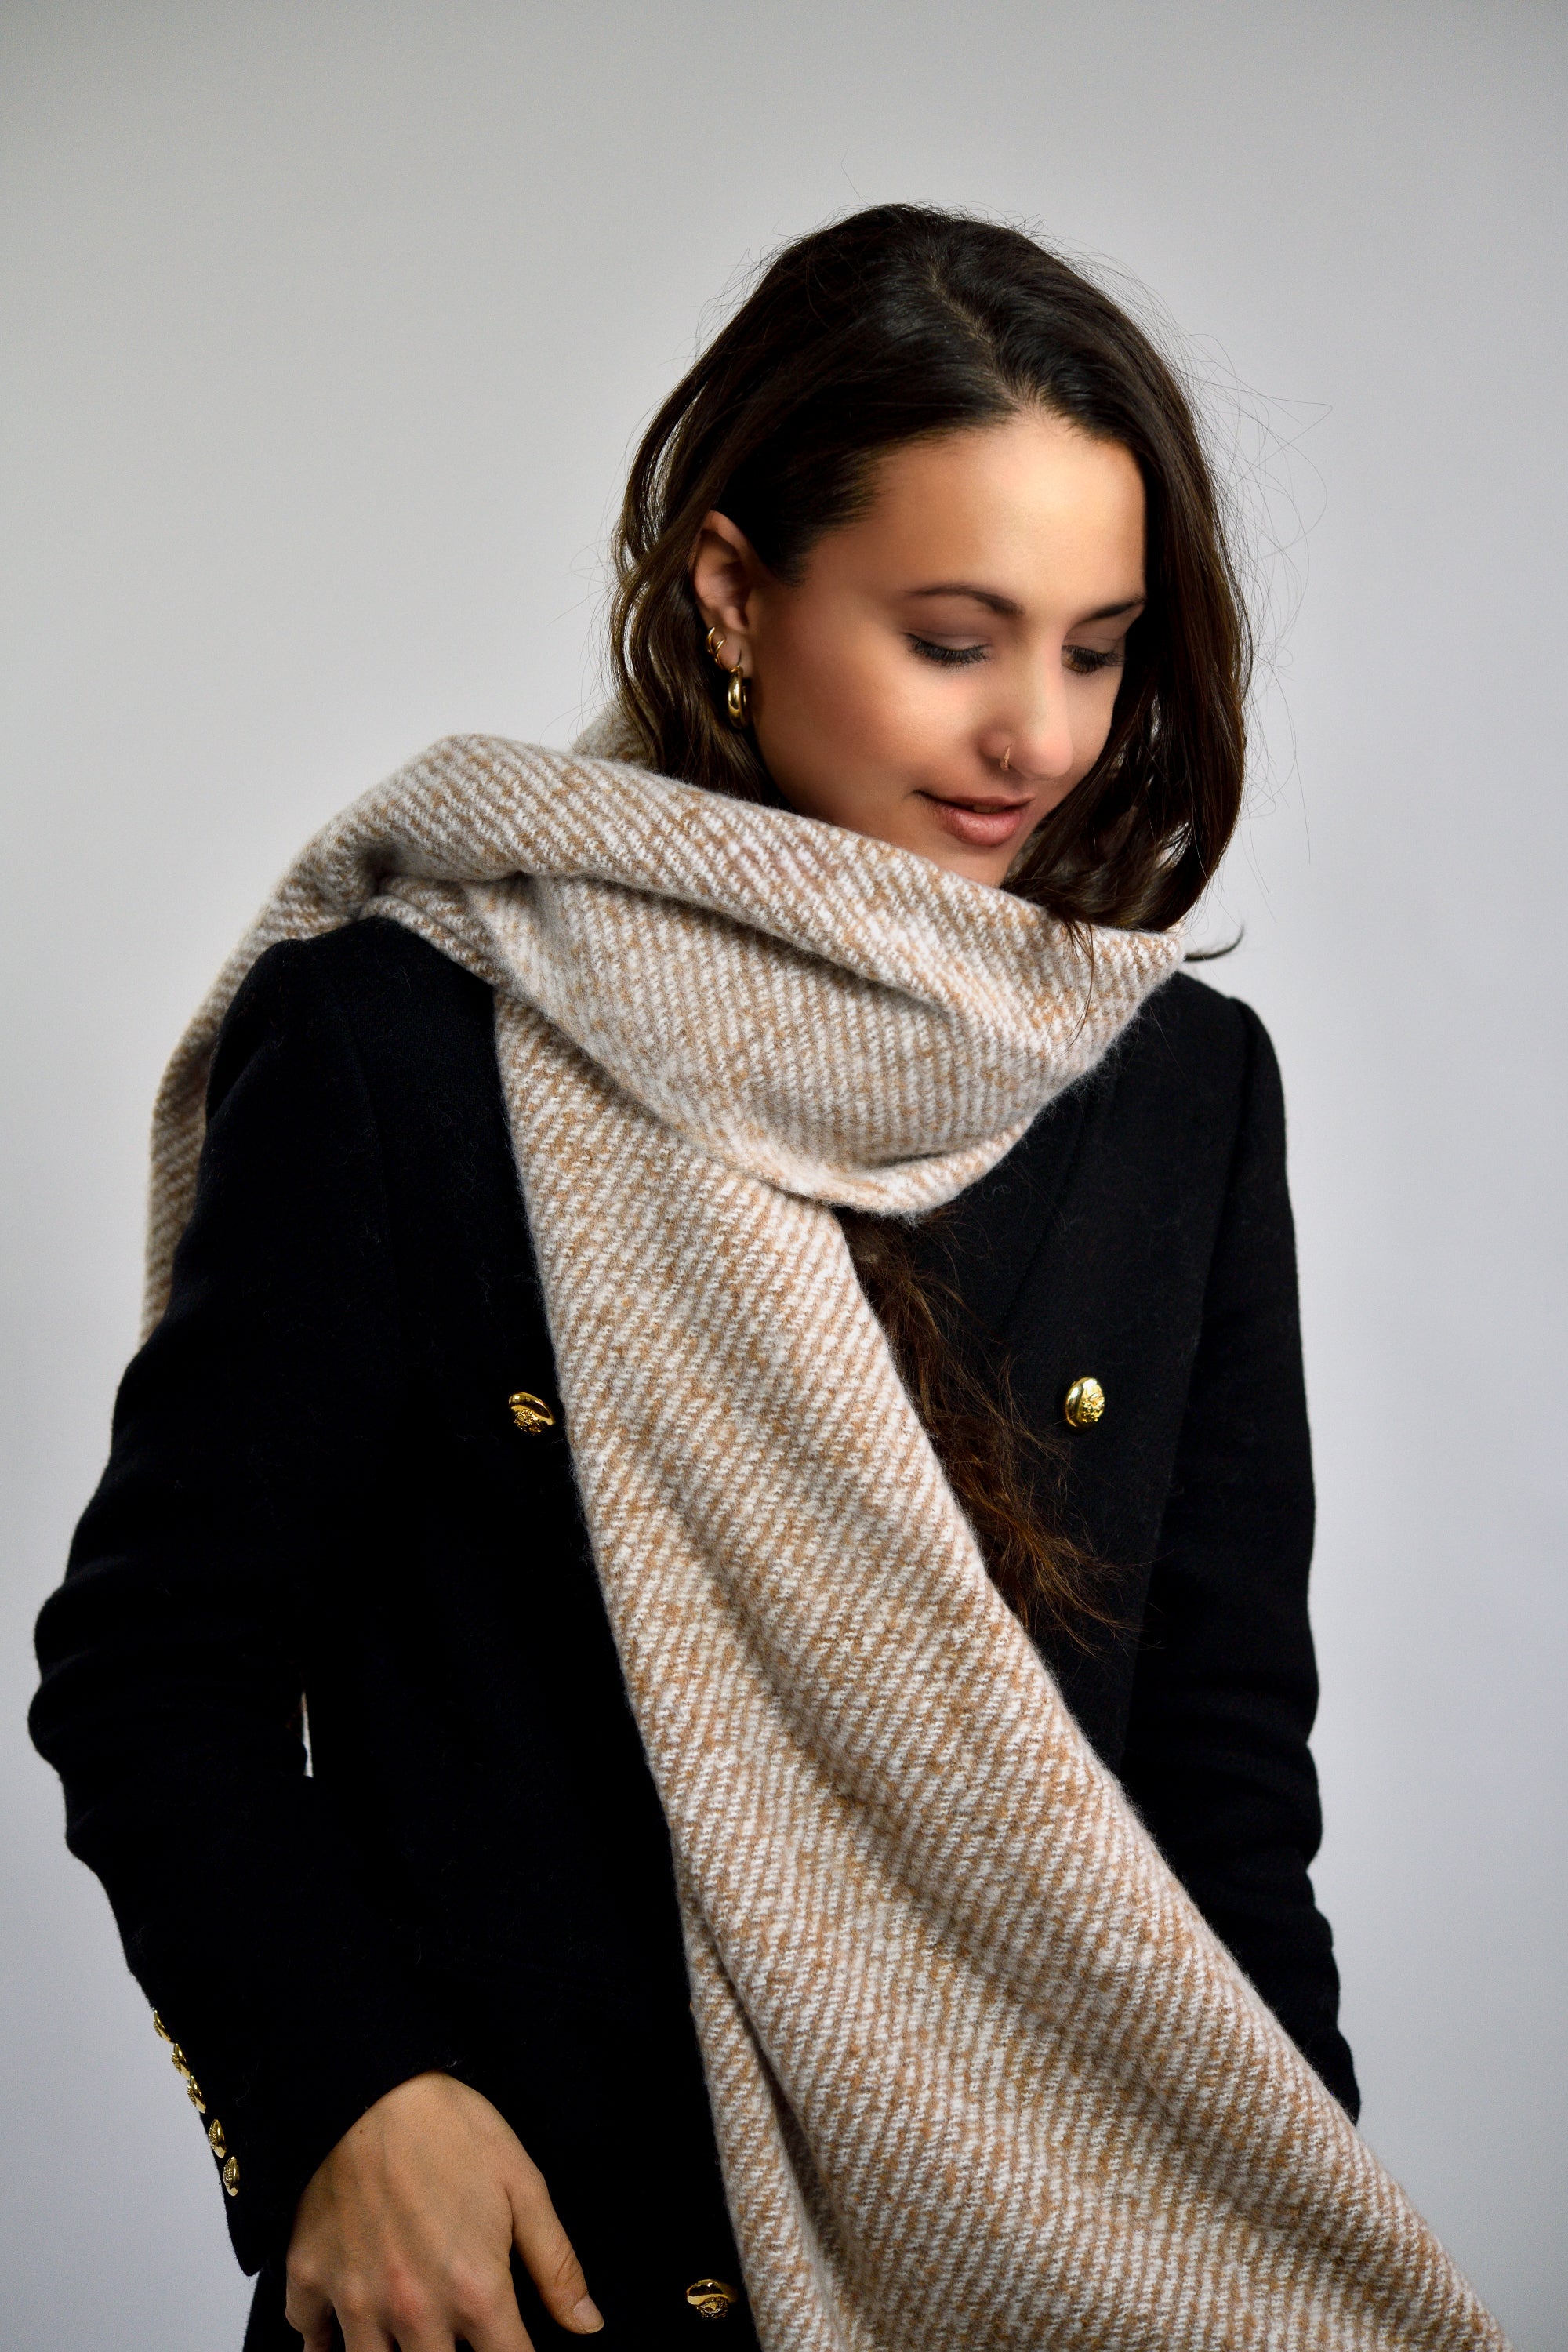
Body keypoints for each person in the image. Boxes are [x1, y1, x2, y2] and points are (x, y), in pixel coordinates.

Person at [33, 207, 1489, 2352]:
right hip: (536, 2279)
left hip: (1058, 2270)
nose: (1040, 736)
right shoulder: (408, 1041)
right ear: (733, 592)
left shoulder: (1175, 1087)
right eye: (955, 638)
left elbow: (1217, 1775)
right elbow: (157, 1672)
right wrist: (342, 2097)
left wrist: (1267, 2239)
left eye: (1098, 650)